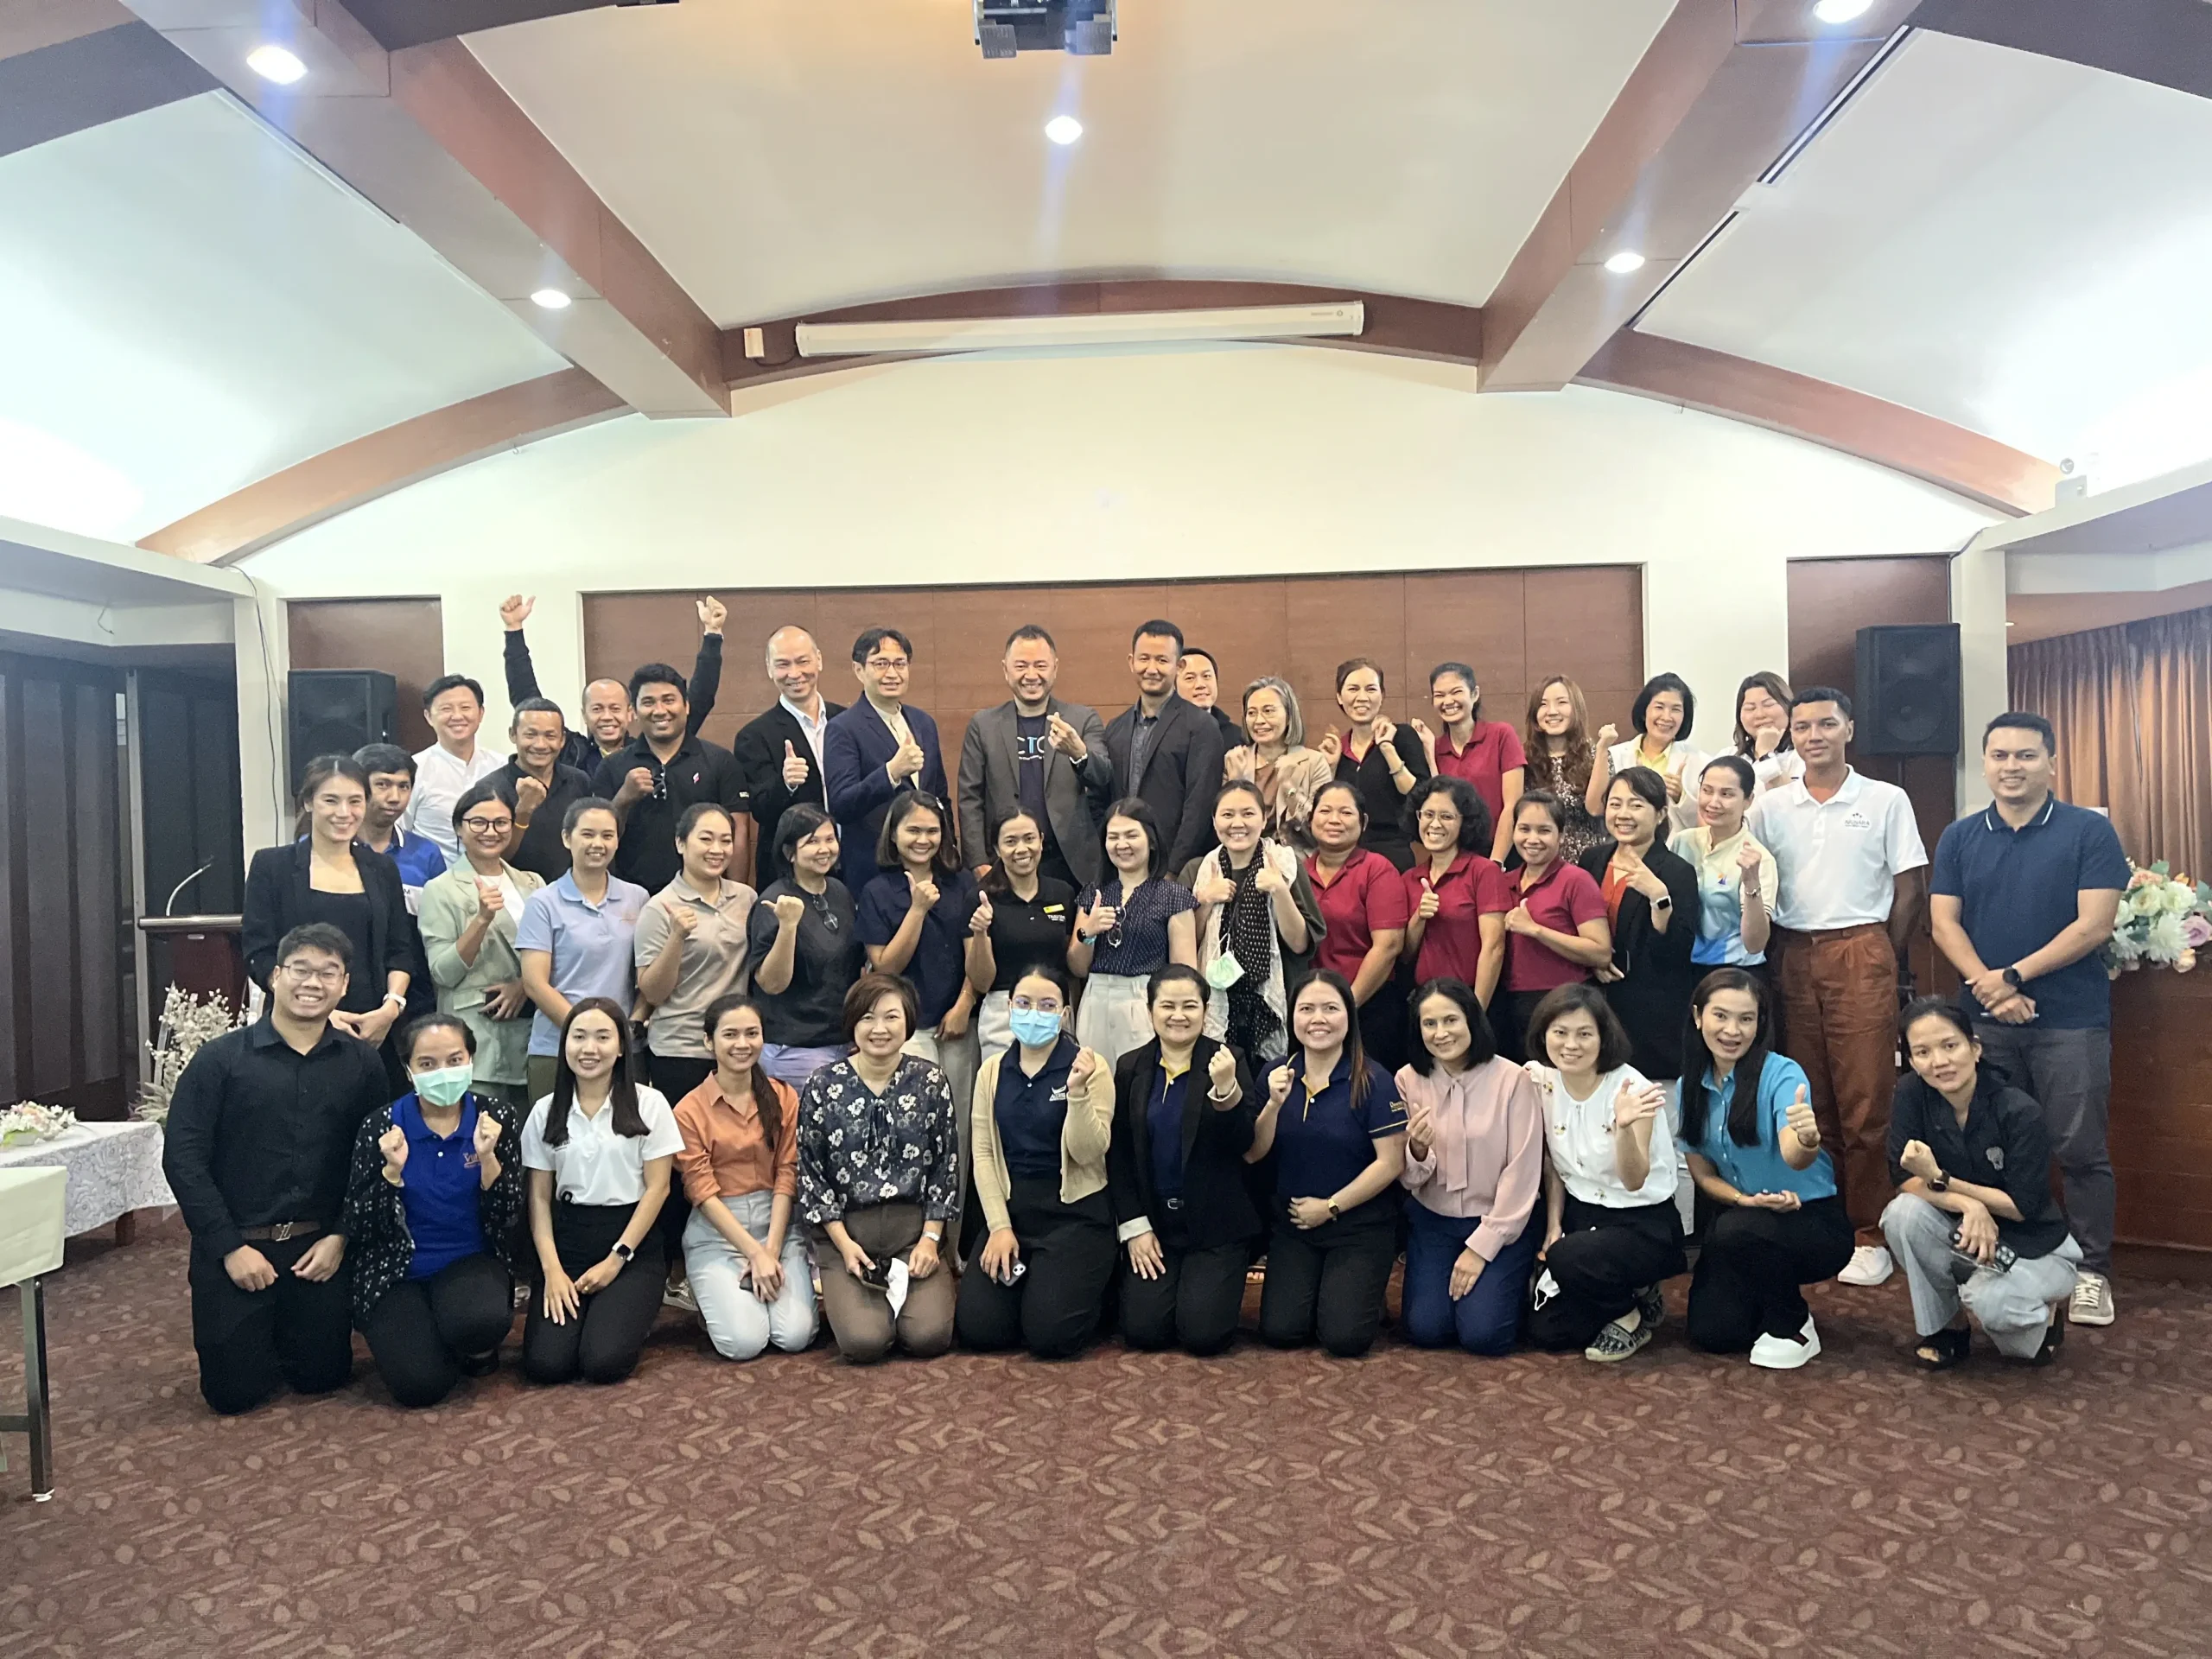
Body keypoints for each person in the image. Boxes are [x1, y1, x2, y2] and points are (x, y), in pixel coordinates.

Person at [1929, 711, 2129, 1326]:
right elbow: (1943, 923)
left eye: (2025, 755)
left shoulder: (2088, 832)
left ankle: (2092, 1271)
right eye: (1999, 755)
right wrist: (1990, 990)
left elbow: (2094, 925)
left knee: (2079, 1148)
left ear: (2051, 762)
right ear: (1984, 763)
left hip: (2069, 1020)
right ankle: (2013, 1255)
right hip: (1985, 1023)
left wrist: (2013, 977)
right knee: (1994, 1148)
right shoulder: (1960, 836)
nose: (2011, 767)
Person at [162, 923, 390, 1414]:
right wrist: (229, 1248)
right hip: (237, 1246)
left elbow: (374, 1158)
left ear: (345, 985)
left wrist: (341, 1237)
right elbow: (183, 1159)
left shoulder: (362, 1064)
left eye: (328, 973)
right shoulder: (219, 1061)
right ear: (274, 976)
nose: (313, 983)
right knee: (233, 1396)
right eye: (300, 970)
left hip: (318, 1249)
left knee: (322, 1377)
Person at [1748, 686, 1928, 1288]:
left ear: (1849, 729)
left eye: (1826, 724)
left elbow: (1910, 888)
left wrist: (1879, 953)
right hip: (1792, 953)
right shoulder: (1771, 807)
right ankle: (1823, 1223)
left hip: (1861, 947)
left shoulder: (1884, 799)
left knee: (1866, 1101)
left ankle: (1870, 1230)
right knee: (1808, 1098)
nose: (1814, 736)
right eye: (1802, 727)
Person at [1881, 999, 2078, 1368]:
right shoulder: (1910, 1093)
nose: (1939, 1061)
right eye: (1923, 1052)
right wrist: (1969, 1205)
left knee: (2004, 1324)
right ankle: (1948, 1327)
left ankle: (2047, 1315)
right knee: (1902, 1215)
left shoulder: (2018, 1109)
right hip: (1966, 1233)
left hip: (2036, 1246)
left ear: (1975, 1048)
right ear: (1911, 1061)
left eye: (1950, 1045)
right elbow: (1903, 1177)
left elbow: (2022, 1206)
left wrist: (1941, 1179)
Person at [344, 1014, 523, 1408]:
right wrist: (391, 1172)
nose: (443, 1073)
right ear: (408, 1071)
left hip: (470, 1260)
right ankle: (434, 1340)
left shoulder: (496, 1118)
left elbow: (509, 1216)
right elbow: (358, 1223)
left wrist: (488, 1159)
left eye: (454, 1060)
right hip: (396, 1270)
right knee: (420, 1387)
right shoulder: (381, 1126)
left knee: (478, 1322)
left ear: (471, 1060)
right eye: (427, 1064)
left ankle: (466, 1340)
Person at [1677, 969, 1850, 1369]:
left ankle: (1795, 1325)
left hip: (1811, 1220)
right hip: (1745, 1216)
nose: (1732, 1031)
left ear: (1760, 1024)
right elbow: (1703, 1174)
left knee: (1737, 1229)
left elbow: (1795, 1155)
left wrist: (1807, 1139)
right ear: (1699, 1016)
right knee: (1713, 1334)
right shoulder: (1690, 1085)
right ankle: (1764, 1297)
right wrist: (1744, 1199)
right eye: (1721, 1016)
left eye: (1746, 1019)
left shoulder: (1782, 1073)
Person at [796, 974, 960, 1363]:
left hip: (913, 1234)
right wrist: (843, 1244)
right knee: (864, 1343)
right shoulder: (822, 1084)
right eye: (867, 1017)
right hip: (848, 1235)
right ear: (852, 1022)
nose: (879, 1028)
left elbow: (945, 1166)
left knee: (929, 1338)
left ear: (909, 1021)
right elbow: (811, 1173)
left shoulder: (931, 1081)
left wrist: (930, 1240)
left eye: (891, 1017)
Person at [519, 999, 683, 1385]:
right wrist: (552, 1270)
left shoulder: (650, 1103)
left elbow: (658, 1189)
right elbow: (539, 1198)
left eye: (602, 1037)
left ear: (622, 1047)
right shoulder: (545, 1110)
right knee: (547, 1366)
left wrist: (616, 1259)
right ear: (564, 1045)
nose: (589, 1049)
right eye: (578, 1037)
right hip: (569, 1242)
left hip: (631, 1243)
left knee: (603, 1362)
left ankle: (628, 1309)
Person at [957, 968, 1118, 1359]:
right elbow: (983, 1154)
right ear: (1009, 1007)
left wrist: (1077, 1093)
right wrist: (999, 1227)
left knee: (1051, 1337)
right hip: (1012, 1213)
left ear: (1064, 1014)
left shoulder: (1090, 1066)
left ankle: (1096, 1291)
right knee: (980, 1330)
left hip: (1074, 1215)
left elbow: (1089, 1152)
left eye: (1047, 1005)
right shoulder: (992, 1071)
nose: (1034, 1013)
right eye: (1024, 1003)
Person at [1250, 970, 1408, 1357]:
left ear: (1349, 1016)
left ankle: (1361, 1291)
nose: (1317, 1019)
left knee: (1344, 1338)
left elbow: (1391, 1163)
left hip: (1358, 1225)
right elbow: (1253, 1153)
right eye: (1306, 1009)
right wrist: (1272, 1104)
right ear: (1292, 1016)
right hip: (1295, 1225)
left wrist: (1331, 1206)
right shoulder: (1275, 1073)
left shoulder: (1374, 1079)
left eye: (1330, 1009)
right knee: (1282, 1332)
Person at [1524, 984, 1683, 1362]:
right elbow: (1552, 1163)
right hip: (1583, 1215)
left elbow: (1634, 1179)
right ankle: (1636, 1292)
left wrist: (1624, 1128)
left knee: (1568, 1258)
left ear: (1603, 1037)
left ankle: (1628, 1314)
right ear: (1543, 1035)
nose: (1571, 1045)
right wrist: (1553, 1225)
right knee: (1547, 1331)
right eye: (1560, 1033)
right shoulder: (1542, 1080)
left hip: (1642, 1223)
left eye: (1584, 1034)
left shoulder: (1633, 1090)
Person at [1106, 966, 1259, 1356]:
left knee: (1203, 1335)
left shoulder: (1229, 1060)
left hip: (1215, 1226)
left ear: (1205, 1010)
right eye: (1167, 1006)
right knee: (1143, 1331)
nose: (1179, 1015)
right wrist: (1134, 1227)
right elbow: (1119, 1154)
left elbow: (1246, 1145)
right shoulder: (1130, 1067)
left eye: (1190, 1006)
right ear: (1150, 1010)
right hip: (1155, 1224)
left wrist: (1226, 1091)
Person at [1396, 978, 1542, 1356]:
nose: (1441, 1033)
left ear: (1472, 1021)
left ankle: (1519, 1282)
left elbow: (1523, 1172)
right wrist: (1417, 1148)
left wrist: (1481, 1248)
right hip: (1434, 1219)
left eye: (1451, 1020)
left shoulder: (1513, 1079)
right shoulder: (1408, 1079)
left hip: (1499, 1219)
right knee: (1425, 1329)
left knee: (1484, 1335)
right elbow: (1409, 1178)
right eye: (1429, 1024)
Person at [243, 755, 414, 1072]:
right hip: (296, 1027)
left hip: (373, 1030)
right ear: (309, 802)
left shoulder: (382, 868)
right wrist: (319, 1013)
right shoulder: (272, 866)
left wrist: (391, 1009)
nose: (344, 813)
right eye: (331, 800)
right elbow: (259, 952)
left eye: (355, 801)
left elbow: (400, 950)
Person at [671, 995, 817, 1362]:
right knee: (744, 1343)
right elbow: (702, 1193)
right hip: (718, 1232)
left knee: (795, 1336)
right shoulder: (688, 1110)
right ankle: (711, 1294)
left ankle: (752, 1291)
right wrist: (754, 1253)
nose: (742, 1044)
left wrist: (770, 1251)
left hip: (777, 1226)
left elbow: (787, 1175)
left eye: (752, 1033)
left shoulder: (783, 1096)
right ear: (709, 1042)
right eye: (730, 1034)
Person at [958, 624, 1115, 894]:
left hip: (1070, 863)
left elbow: (1104, 777)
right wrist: (978, 862)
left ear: (1055, 668)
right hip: (1006, 862)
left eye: (1040, 666)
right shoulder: (983, 725)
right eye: (1021, 666)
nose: (1031, 675)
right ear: (1006, 669)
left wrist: (1079, 753)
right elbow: (969, 798)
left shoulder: (1082, 719)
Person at [857, 790, 982, 1129]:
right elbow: (886, 967)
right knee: (912, 1126)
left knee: (958, 1125)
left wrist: (965, 1003)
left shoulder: (961, 883)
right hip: (906, 1027)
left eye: (932, 831)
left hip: (958, 1023)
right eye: (913, 830)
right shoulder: (876, 891)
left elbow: (976, 955)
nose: (923, 840)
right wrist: (917, 909)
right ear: (893, 834)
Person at [416, 778, 543, 1110]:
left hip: (533, 1037)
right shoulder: (440, 889)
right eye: (478, 822)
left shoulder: (532, 883)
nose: (491, 831)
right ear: (459, 828)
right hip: (478, 1042)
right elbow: (442, 973)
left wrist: (525, 985)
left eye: (501, 822)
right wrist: (482, 919)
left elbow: (553, 954)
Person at [501, 592, 726, 776]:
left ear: (631, 713)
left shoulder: (652, 748)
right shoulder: (570, 752)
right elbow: (528, 701)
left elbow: (700, 699)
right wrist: (514, 631)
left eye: (615, 708)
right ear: (584, 715)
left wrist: (713, 635)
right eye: (597, 709)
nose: (607, 717)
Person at [515, 798, 649, 1104]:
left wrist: (625, 1030)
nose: (597, 844)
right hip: (557, 1047)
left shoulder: (638, 898)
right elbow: (534, 983)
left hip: (623, 1049)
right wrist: (587, 1033)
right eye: (587, 834)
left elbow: (646, 975)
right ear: (567, 838)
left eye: (607, 835)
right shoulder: (543, 902)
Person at [1182, 780, 1323, 1069]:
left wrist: (1279, 890)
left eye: (1248, 813)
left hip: (1273, 1002)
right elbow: (1187, 945)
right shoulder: (1198, 869)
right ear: (1214, 821)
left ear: (1263, 817)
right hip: (1218, 1005)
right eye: (1227, 815)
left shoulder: (1286, 864)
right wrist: (1205, 900)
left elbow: (1299, 944)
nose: (1238, 824)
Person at [1576, 767, 1700, 1084]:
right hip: (1595, 1001)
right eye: (1615, 804)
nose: (1623, 814)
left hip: (1650, 1012)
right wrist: (1594, 960)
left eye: (1636, 805)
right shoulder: (1592, 860)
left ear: (1660, 814)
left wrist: (1659, 897)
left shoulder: (1676, 871)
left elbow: (1677, 951)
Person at [634, 802, 758, 1103]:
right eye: (706, 839)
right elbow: (653, 992)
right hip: (681, 1048)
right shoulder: (659, 907)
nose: (717, 849)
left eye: (726, 840)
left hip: (735, 1046)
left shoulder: (746, 898)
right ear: (681, 843)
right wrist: (677, 936)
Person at [591, 662, 750, 896]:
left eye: (668, 700)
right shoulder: (612, 766)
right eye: (648, 702)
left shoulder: (720, 761)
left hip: (706, 897)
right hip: (630, 898)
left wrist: (738, 897)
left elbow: (739, 833)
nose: (659, 710)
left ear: (686, 706)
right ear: (633, 711)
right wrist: (623, 798)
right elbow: (596, 837)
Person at [1069, 799, 1200, 1067]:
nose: (1122, 844)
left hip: (1145, 1000)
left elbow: (1185, 972)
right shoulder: (1094, 893)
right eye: (1113, 837)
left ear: (1151, 841)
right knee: (1094, 1079)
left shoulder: (1173, 895)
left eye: (1131, 835)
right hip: (1095, 998)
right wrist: (1088, 932)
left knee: (1140, 1082)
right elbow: (1077, 967)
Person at [747, 804, 865, 1088]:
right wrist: (788, 926)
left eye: (830, 839)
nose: (824, 849)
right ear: (790, 852)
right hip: (795, 1049)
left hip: (843, 1043)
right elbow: (771, 984)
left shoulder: (840, 891)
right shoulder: (773, 902)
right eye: (812, 841)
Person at [824, 627, 950, 889]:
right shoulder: (843, 728)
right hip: (874, 871)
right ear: (859, 670)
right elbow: (842, 805)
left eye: (899, 664)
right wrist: (891, 772)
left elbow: (939, 795)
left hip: (929, 869)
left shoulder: (924, 723)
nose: (892, 673)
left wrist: (949, 853)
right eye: (880, 664)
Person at [1491, 792, 1611, 1065]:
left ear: (1561, 835)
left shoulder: (1576, 881)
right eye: (1524, 829)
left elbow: (1601, 952)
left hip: (1563, 1004)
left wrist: (1536, 930)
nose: (1532, 839)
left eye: (1544, 830)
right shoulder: (1504, 881)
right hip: (1509, 1003)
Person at [1103, 620, 1226, 874]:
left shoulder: (1202, 727)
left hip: (1174, 870)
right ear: (1131, 662)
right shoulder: (1115, 728)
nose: (1152, 669)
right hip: (1122, 868)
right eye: (1144, 659)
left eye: (1162, 660)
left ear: (1178, 666)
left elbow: (1199, 807)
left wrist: (1173, 870)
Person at [1303, 780, 1411, 1071]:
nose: (1334, 820)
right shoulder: (1297, 872)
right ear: (1311, 819)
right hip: (1310, 1008)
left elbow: (1389, 946)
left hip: (1368, 1005)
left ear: (1363, 822)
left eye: (1345, 812)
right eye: (1325, 811)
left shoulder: (1377, 869)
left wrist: (1347, 1005)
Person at [731, 626, 846, 889]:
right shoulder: (754, 736)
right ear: (769, 669)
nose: (794, 673)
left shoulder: (847, 721)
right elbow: (760, 809)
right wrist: (786, 784)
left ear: (819, 660)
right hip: (789, 873)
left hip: (851, 862)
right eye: (783, 664)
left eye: (802, 661)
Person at [967, 810, 1081, 1064]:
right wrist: (980, 933)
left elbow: (1072, 967)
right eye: (1010, 841)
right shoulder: (980, 899)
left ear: (1041, 840)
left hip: (1053, 1008)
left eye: (1029, 838)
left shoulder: (1062, 893)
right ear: (996, 849)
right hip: (1003, 1013)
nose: (1022, 849)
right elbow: (981, 982)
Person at [1400, 775, 1507, 1007]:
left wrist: (1477, 1011)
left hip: (1470, 998)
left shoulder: (1483, 871)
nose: (1434, 824)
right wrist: (1419, 917)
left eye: (1446, 816)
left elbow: (1494, 947)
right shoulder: (1410, 878)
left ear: (1465, 823)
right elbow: (1405, 954)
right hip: (1424, 1000)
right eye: (1428, 814)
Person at [1674, 753, 1777, 989]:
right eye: (1707, 791)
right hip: (1683, 968)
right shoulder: (1683, 841)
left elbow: (1755, 944)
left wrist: (1751, 883)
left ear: (1748, 800)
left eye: (1726, 794)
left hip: (1734, 974)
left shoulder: (1757, 858)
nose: (1713, 802)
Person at [1320, 658, 1429, 869]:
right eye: (1353, 689)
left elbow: (1420, 795)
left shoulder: (1402, 736)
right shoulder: (1338, 748)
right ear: (1340, 697)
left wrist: (1387, 749)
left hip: (1393, 856)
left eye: (1371, 689)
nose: (1362, 697)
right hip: (1345, 856)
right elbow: (1326, 809)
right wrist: (1331, 768)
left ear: (1382, 695)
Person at [1414, 663, 1525, 861]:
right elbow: (1437, 805)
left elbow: (1513, 805)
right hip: (1454, 858)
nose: (1448, 701)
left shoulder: (1501, 735)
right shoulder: (1435, 747)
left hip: (1502, 852)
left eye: (1456, 692)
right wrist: (1430, 754)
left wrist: (1495, 861)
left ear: (1474, 694)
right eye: (1439, 695)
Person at [399, 675, 507, 868]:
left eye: (465, 708)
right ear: (428, 717)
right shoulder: (413, 770)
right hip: (432, 879)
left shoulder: (502, 766)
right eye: (446, 709)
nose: (457, 716)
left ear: (481, 713)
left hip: (495, 878)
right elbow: (400, 832)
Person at [1222, 676, 1334, 849]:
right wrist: (1235, 783)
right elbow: (1223, 826)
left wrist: (1291, 790)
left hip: (1297, 857)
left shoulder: (1314, 762)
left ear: (1289, 716)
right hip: (1244, 854)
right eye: (1251, 713)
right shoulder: (1235, 760)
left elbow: (1322, 828)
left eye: (1268, 711)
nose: (1259, 721)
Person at [491, 697, 595, 885]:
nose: (540, 744)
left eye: (550, 736)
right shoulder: (491, 788)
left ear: (562, 739)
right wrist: (523, 813)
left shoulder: (579, 780)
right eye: (530, 735)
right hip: (515, 893)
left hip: (572, 891)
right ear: (513, 735)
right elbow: (492, 858)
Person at [1591, 671, 1707, 835]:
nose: (1666, 717)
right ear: (1644, 712)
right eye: (1659, 707)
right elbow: (1595, 809)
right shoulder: (1615, 756)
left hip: (1675, 848)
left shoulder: (1699, 761)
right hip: (1624, 846)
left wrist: (1681, 797)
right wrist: (1602, 749)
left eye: (1676, 709)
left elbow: (1708, 824)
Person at [353, 742, 449, 913]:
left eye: (403, 787)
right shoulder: (330, 847)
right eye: (383, 784)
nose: (395, 798)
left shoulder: (427, 854)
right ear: (357, 786)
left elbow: (440, 921)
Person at [1522, 675, 1606, 865]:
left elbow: (1596, 809)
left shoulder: (1597, 754)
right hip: (1537, 861)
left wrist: (1603, 749)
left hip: (1588, 862)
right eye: (1543, 704)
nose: (1552, 711)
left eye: (1561, 702)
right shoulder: (1522, 757)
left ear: (1576, 708)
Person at [1731, 671, 1802, 793]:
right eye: (1750, 708)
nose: (1760, 714)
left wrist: (1765, 755)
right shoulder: (1730, 756)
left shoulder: (1804, 754)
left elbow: (1794, 800)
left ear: (1788, 706)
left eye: (1768, 705)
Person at [1177, 645, 1242, 749]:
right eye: (1190, 678)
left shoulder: (1237, 738)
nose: (1200, 685)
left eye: (1206, 676)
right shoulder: (1159, 734)